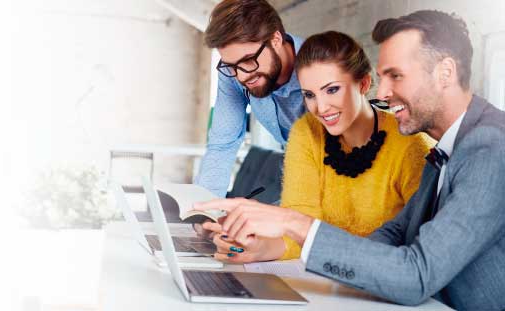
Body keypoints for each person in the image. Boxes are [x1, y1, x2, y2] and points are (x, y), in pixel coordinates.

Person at [195, 10, 505, 310]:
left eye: (396, 76)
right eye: (382, 77)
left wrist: (294, 223)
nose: (382, 92)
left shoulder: (488, 146)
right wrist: (272, 243)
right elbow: (396, 233)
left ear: (445, 73)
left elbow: (416, 274)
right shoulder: (449, 145)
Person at [198, 31, 435, 263]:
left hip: (382, 285)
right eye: (309, 95)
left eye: (332, 90)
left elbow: (415, 251)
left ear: (363, 84)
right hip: (325, 279)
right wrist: (259, 249)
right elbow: (298, 226)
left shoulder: (410, 144)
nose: (321, 108)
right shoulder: (306, 132)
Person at [195, 0, 306, 198]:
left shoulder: (320, 70)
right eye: (231, 65)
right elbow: (223, 143)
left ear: (276, 39)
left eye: (248, 60)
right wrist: (206, 209)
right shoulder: (233, 72)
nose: (241, 76)